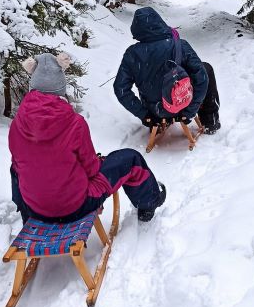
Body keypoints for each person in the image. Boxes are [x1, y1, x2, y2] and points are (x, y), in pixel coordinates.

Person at [9, 53, 166, 224]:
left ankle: (25, 213)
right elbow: (91, 169)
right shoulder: (74, 123)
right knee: (131, 159)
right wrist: (100, 162)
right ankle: (149, 203)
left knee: (16, 167)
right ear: (60, 89)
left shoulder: (17, 125)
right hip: (75, 207)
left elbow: (20, 166)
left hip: (35, 208)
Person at [113, 6, 221, 133]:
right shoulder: (180, 45)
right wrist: (190, 111)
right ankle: (210, 120)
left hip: (155, 111)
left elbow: (120, 89)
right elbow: (202, 78)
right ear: (160, 22)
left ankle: (161, 117)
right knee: (205, 68)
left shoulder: (132, 54)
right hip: (182, 103)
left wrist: (144, 115)